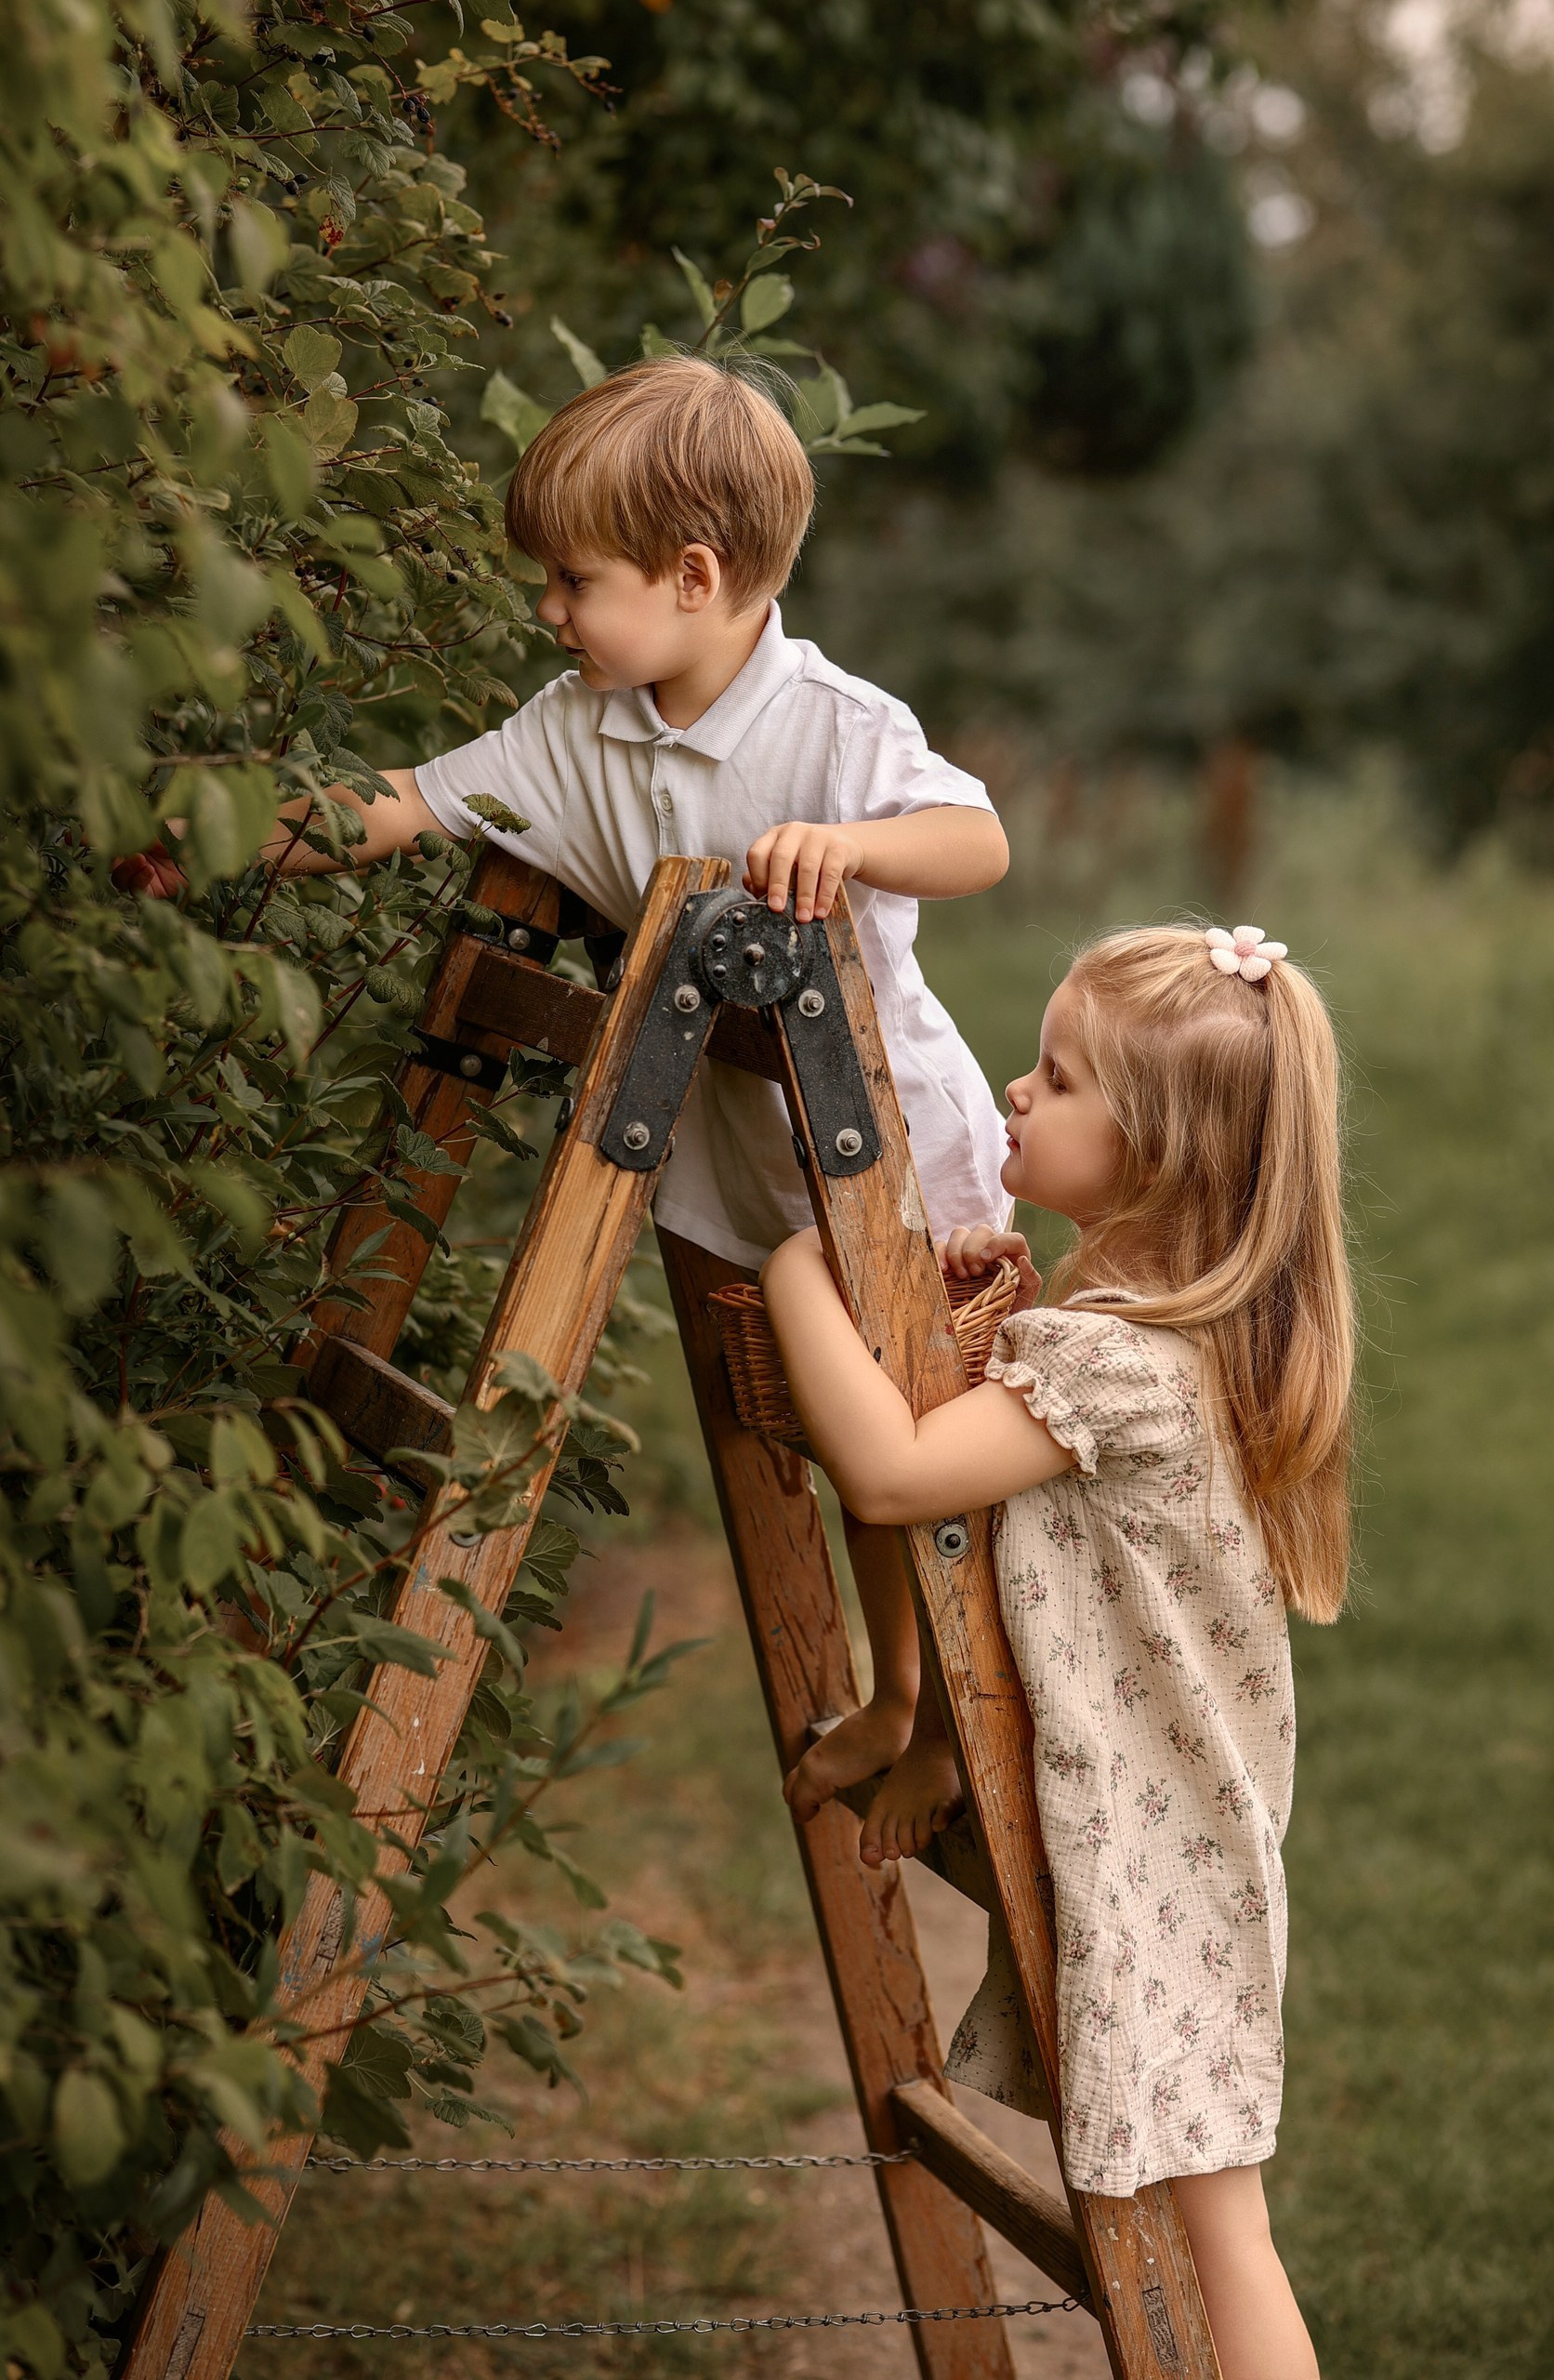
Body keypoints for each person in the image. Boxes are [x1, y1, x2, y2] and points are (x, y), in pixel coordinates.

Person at [119, 354, 1013, 1858]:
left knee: (908, 1454)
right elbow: (402, 799)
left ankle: (926, 1709)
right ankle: (900, 1695)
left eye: (571, 580)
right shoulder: (571, 726)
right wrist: (208, 833)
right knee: (816, 1434)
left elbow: (976, 840)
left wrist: (853, 852)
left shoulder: (835, 727)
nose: (549, 610)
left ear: (694, 574)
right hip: (739, 1166)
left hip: (888, 1156)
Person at [760, 920, 1353, 2380]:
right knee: (1206, 2220)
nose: (1015, 1095)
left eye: (1059, 1079)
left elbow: (896, 1474)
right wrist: (1005, 1305)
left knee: (1220, 2237)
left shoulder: (1123, 1364)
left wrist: (794, 1266)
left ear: (1159, 1155)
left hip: (1171, 1865)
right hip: (1188, 1838)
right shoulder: (1141, 1336)